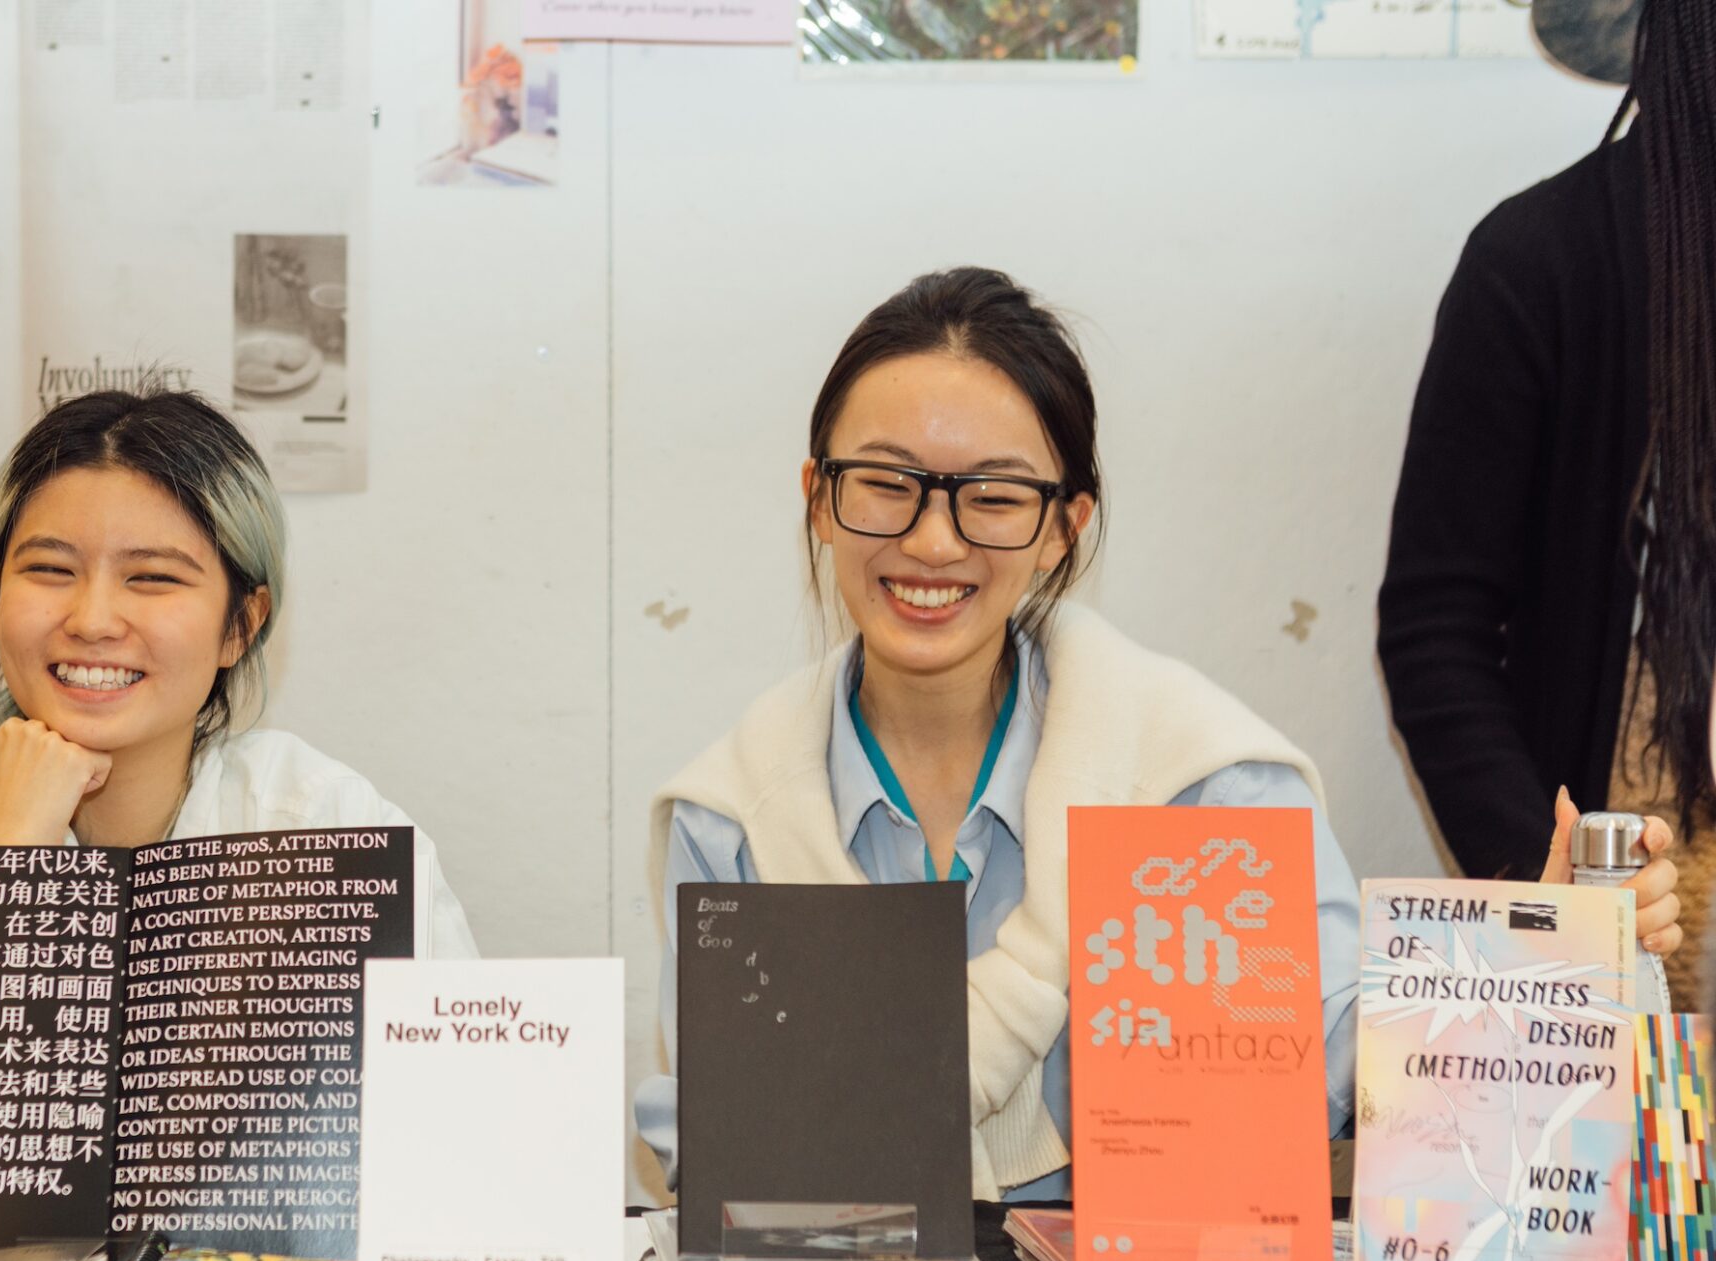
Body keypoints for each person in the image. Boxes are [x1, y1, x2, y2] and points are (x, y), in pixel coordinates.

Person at [637, 266, 1677, 1202]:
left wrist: (1531, 969)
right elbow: (726, 1145)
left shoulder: (1200, 779)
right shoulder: (733, 816)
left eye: (995, 496)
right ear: (818, 499)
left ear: (1063, 528)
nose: (932, 539)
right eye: (886, 484)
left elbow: (1345, 1061)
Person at [0, 387, 478, 958]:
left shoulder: (323, 824)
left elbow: (457, 1066)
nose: (92, 621)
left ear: (240, 625)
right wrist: (9, 859)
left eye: (153, 577)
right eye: (52, 569)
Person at [1378, 0, 1703, 994]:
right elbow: (1436, 625)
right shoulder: (1541, 260)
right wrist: (1544, 891)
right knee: (1646, 1149)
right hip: (1640, 883)